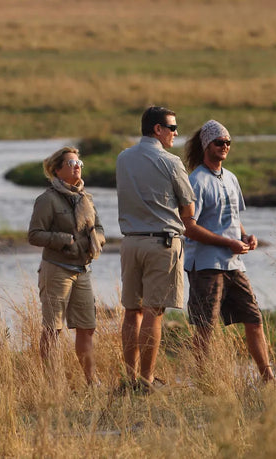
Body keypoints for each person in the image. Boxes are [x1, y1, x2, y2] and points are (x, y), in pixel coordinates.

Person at [115, 105, 204, 393]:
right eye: (173, 128)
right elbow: (188, 205)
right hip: (161, 242)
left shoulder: (123, 158)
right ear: (158, 129)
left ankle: (129, 379)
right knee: (154, 311)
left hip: (130, 242)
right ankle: (146, 380)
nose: (176, 133)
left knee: (131, 311)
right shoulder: (171, 161)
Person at [183, 120, 274, 382]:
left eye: (228, 143)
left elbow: (232, 217)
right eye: (219, 142)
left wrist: (245, 236)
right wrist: (228, 242)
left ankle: (267, 377)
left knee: (254, 318)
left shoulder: (231, 178)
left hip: (234, 264)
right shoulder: (196, 181)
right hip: (206, 265)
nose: (225, 147)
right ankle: (203, 381)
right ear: (206, 145)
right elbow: (189, 228)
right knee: (205, 327)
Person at [27, 146, 106, 384]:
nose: (77, 167)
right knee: (53, 328)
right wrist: (63, 240)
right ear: (57, 170)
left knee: (87, 327)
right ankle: (54, 383)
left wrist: (96, 239)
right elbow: (34, 235)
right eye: (71, 163)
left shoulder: (86, 198)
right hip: (56, 269)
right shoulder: (47, 199)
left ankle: (92, 382)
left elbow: (100, 229)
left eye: (79, 162)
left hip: (82, 269)